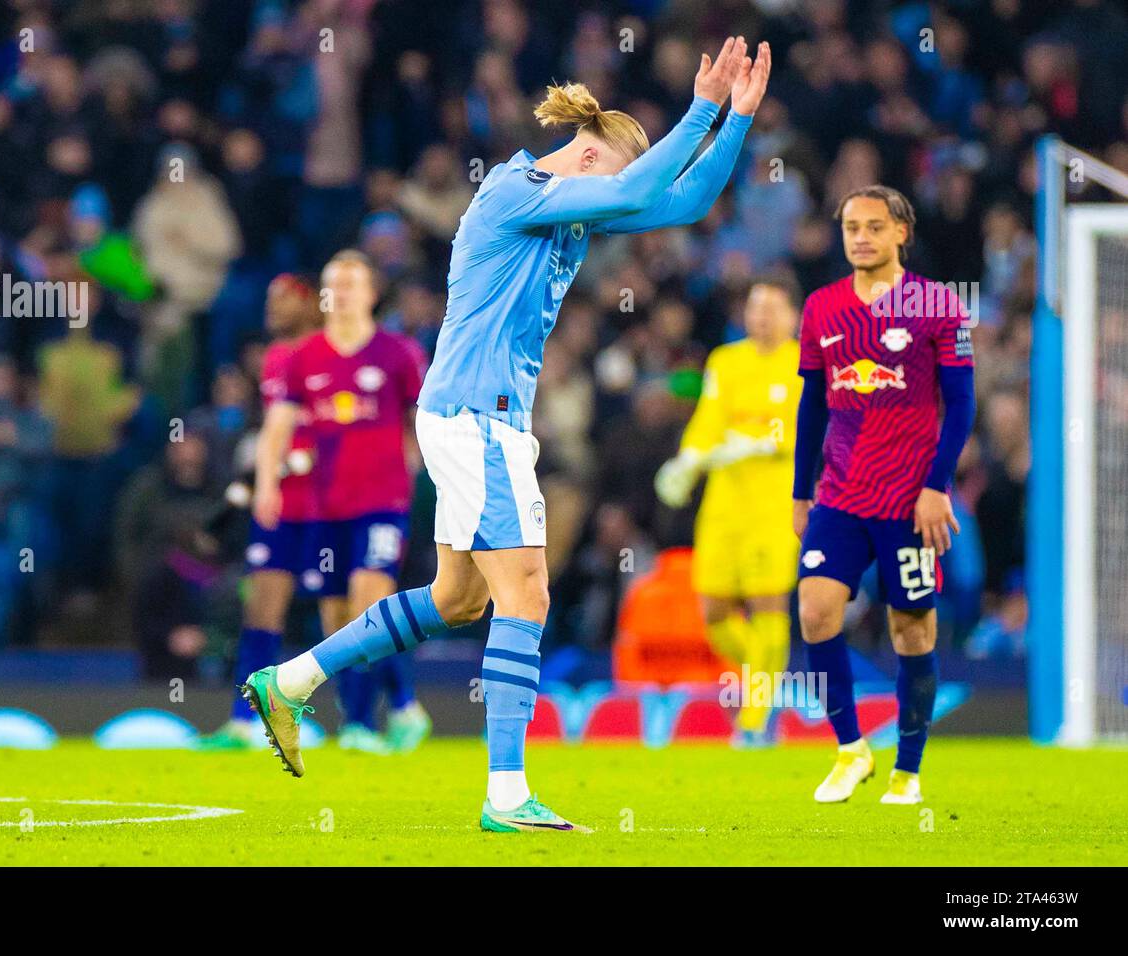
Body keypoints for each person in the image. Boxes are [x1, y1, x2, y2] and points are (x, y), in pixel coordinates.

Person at [244, 35, 770, 833]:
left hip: (480, 419)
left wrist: (734, 121)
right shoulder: (513, 193)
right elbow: (641, 189)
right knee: (527, 590)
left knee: (459, 598)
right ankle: (505, 794)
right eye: (614, 178)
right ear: (589, 155)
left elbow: (682, 203)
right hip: (475, 418)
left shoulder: (565, 213)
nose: (618, 204)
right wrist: (699, 108)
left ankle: (292, 680)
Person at [792, 185, 975, 805]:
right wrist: (800, 493)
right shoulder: (820, 308)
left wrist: (936, 487)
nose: (860, 237)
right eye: (850, 227)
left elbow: (962, 405)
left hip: (908, 500)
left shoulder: (937, 305)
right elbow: (813, 403)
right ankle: (850, 750)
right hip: (839, 495)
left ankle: (909, 769)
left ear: (902, 232)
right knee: (815, 610)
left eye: (873, 226)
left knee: (911, 631)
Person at [254, 251, 432, 755]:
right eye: (335, 283)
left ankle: (359, 725)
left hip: (382, 502)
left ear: (372, 293)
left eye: (354, 282)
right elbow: (277, 428)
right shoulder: (304, 357)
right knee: (336, 620)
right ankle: (402, 702)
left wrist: (424, 463)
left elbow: (422, 417)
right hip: (323, 506)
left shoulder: (398, 353)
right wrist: (268, 482)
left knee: (368, 603)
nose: (344, 292)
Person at [655, 277, 801, 745]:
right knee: (714, 609)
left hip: (774, 505)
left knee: (767, 602)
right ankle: (768, 683)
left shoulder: (803, 363)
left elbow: (814, 428)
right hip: (724, 506)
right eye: (755, 308)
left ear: (792, 316)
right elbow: (709, 420)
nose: (762, 317)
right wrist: (689, 461)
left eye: (772, 308)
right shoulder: (725, 361)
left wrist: (766, 440)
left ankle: (756, 718)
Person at [199, 274, 320, 750]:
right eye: (268, 297)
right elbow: (276, 433)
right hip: (283, 503)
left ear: (310, 303)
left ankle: (377, 716)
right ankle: (243, 721)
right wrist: (258, 479)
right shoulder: (274, 359)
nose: (271, 306)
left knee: (348, 610)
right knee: (261, 609)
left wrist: (292, 461)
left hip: (332, 501)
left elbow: (326, 430)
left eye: (282, 298)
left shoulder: (330, 353)